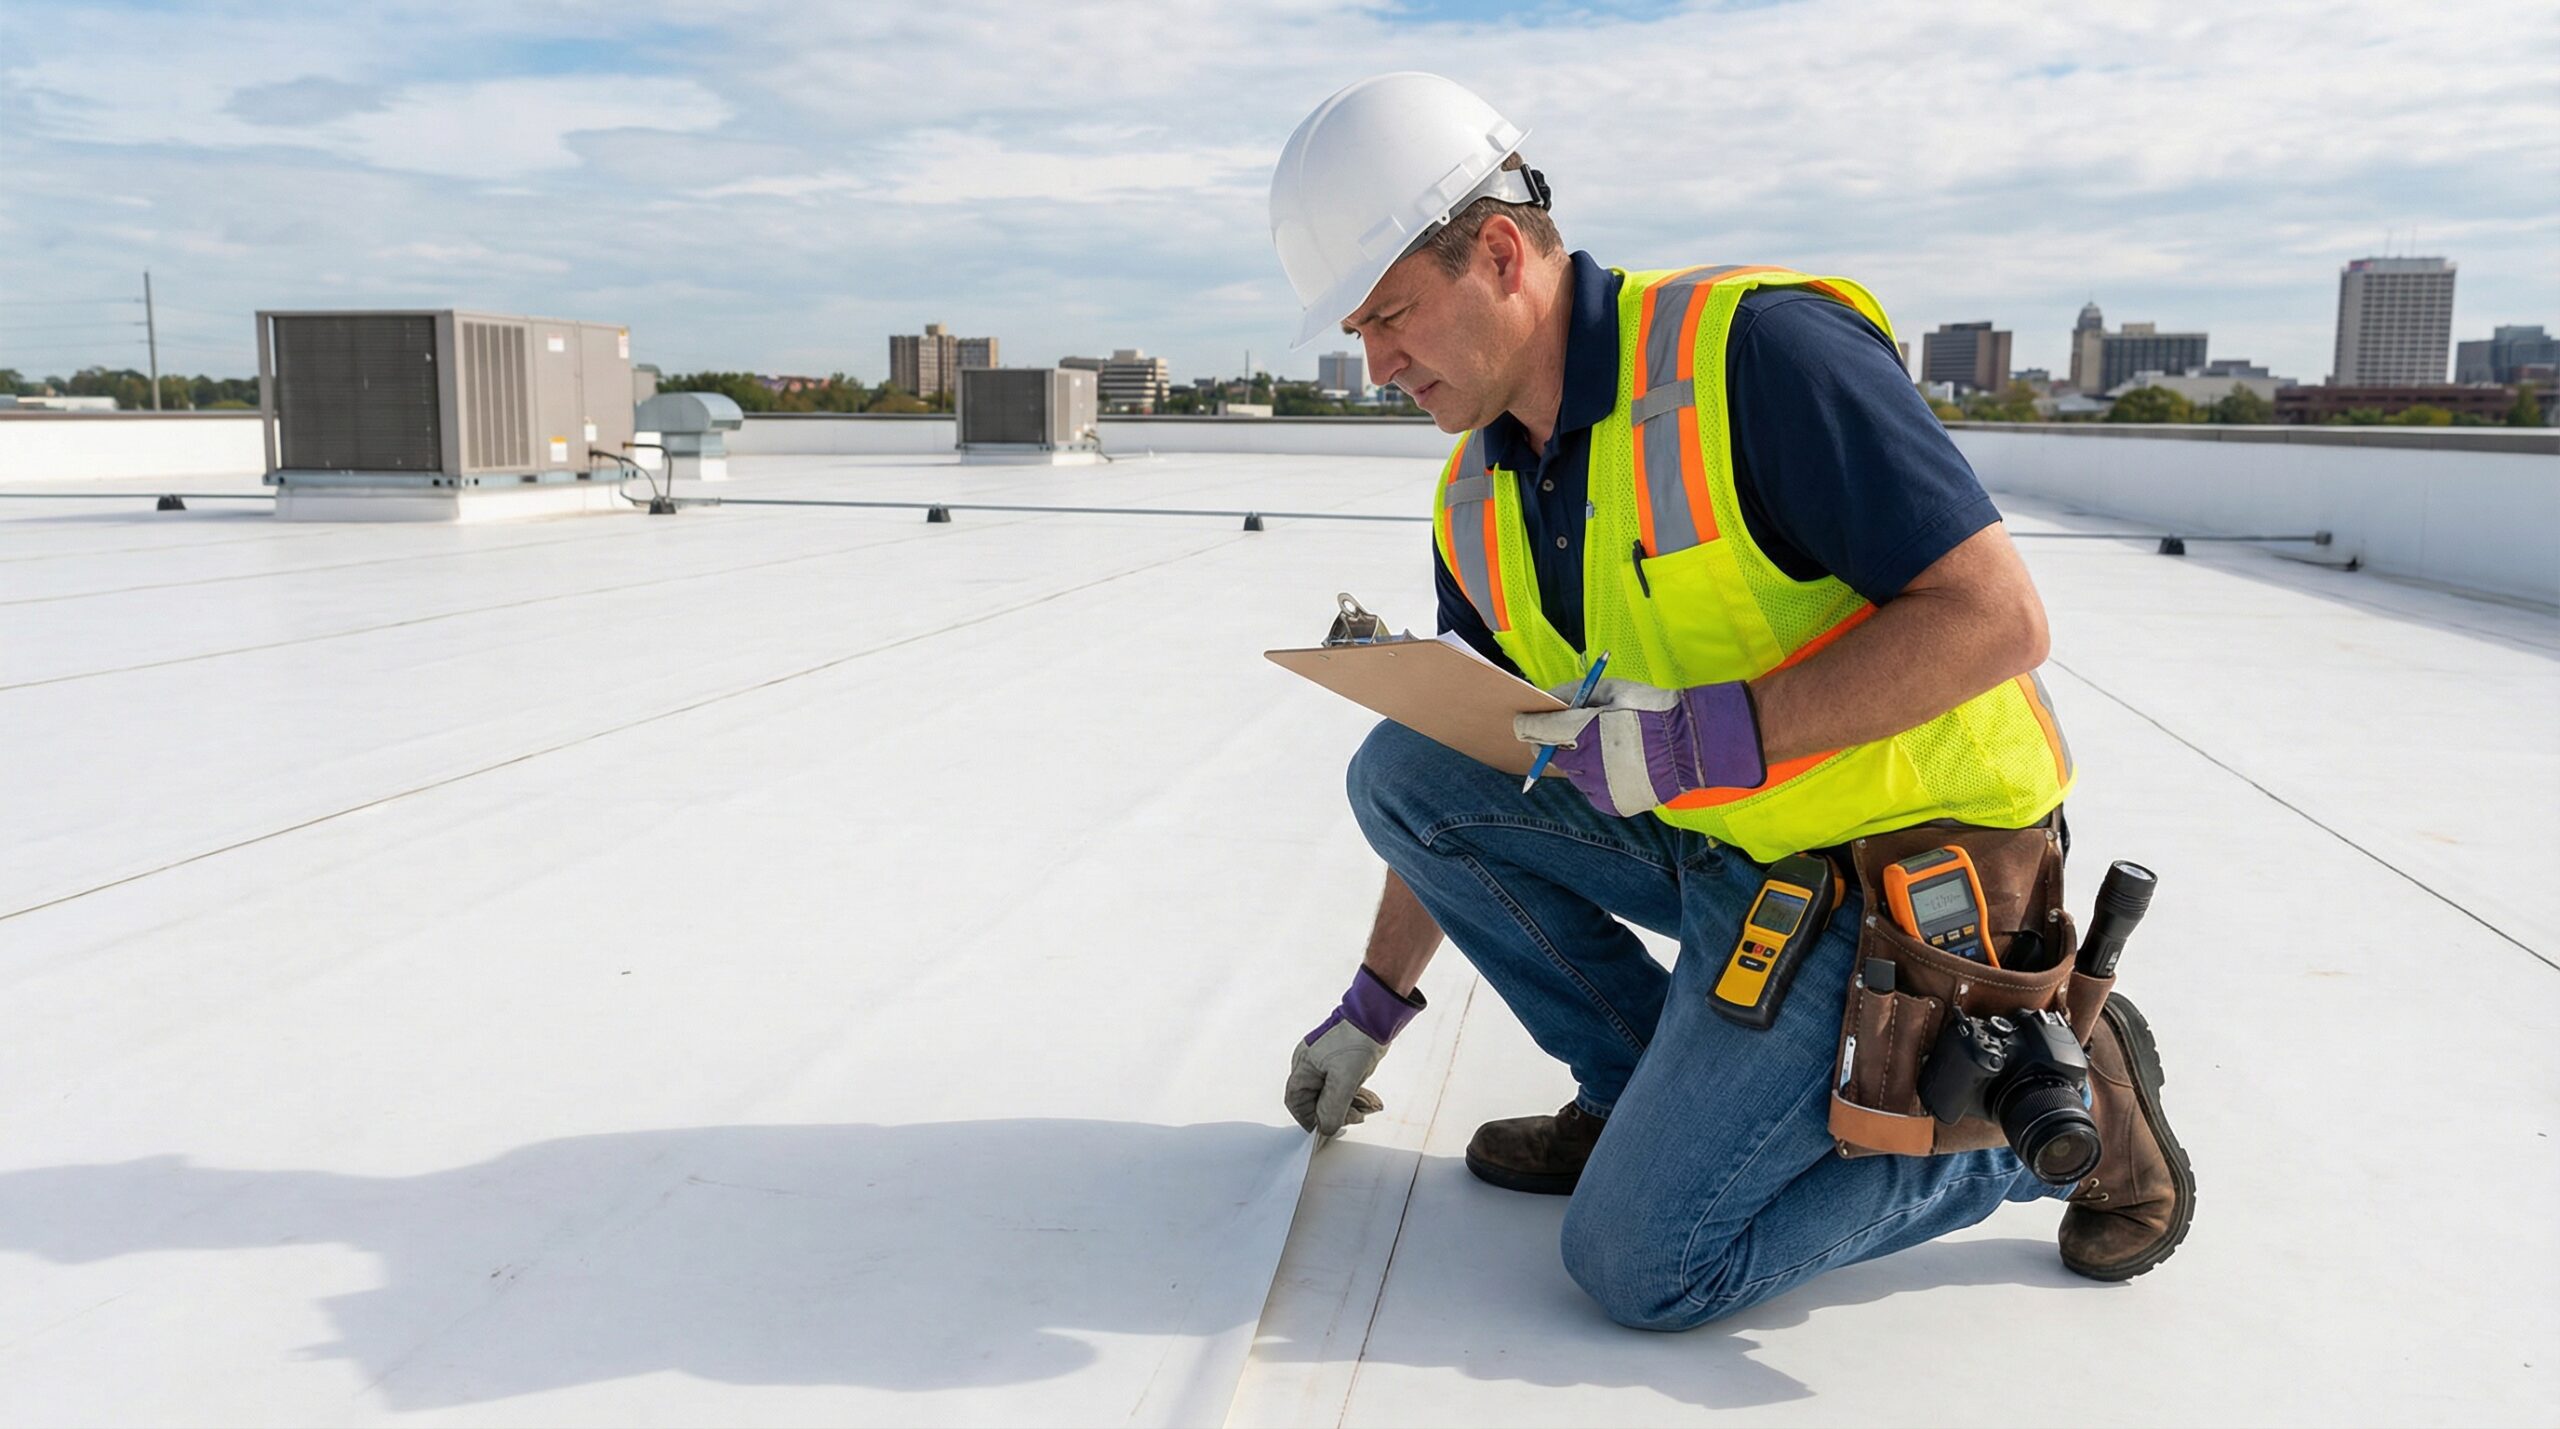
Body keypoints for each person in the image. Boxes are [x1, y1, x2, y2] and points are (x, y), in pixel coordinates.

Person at [1269, 73, 2193, 1329]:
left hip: (1902, 877)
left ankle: (2007, 1128)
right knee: (1403, 771)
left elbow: (1999, 618)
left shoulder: (1755, 356)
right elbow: (1477, 737)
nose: (1374, 363)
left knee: (1643, 1265)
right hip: (1731, 849)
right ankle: (1634, 1089)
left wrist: (1710, 735)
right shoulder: (1476, 495)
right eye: (1356, 334)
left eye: (1390, 317)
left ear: (1497, 252)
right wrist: (1372, 1007)